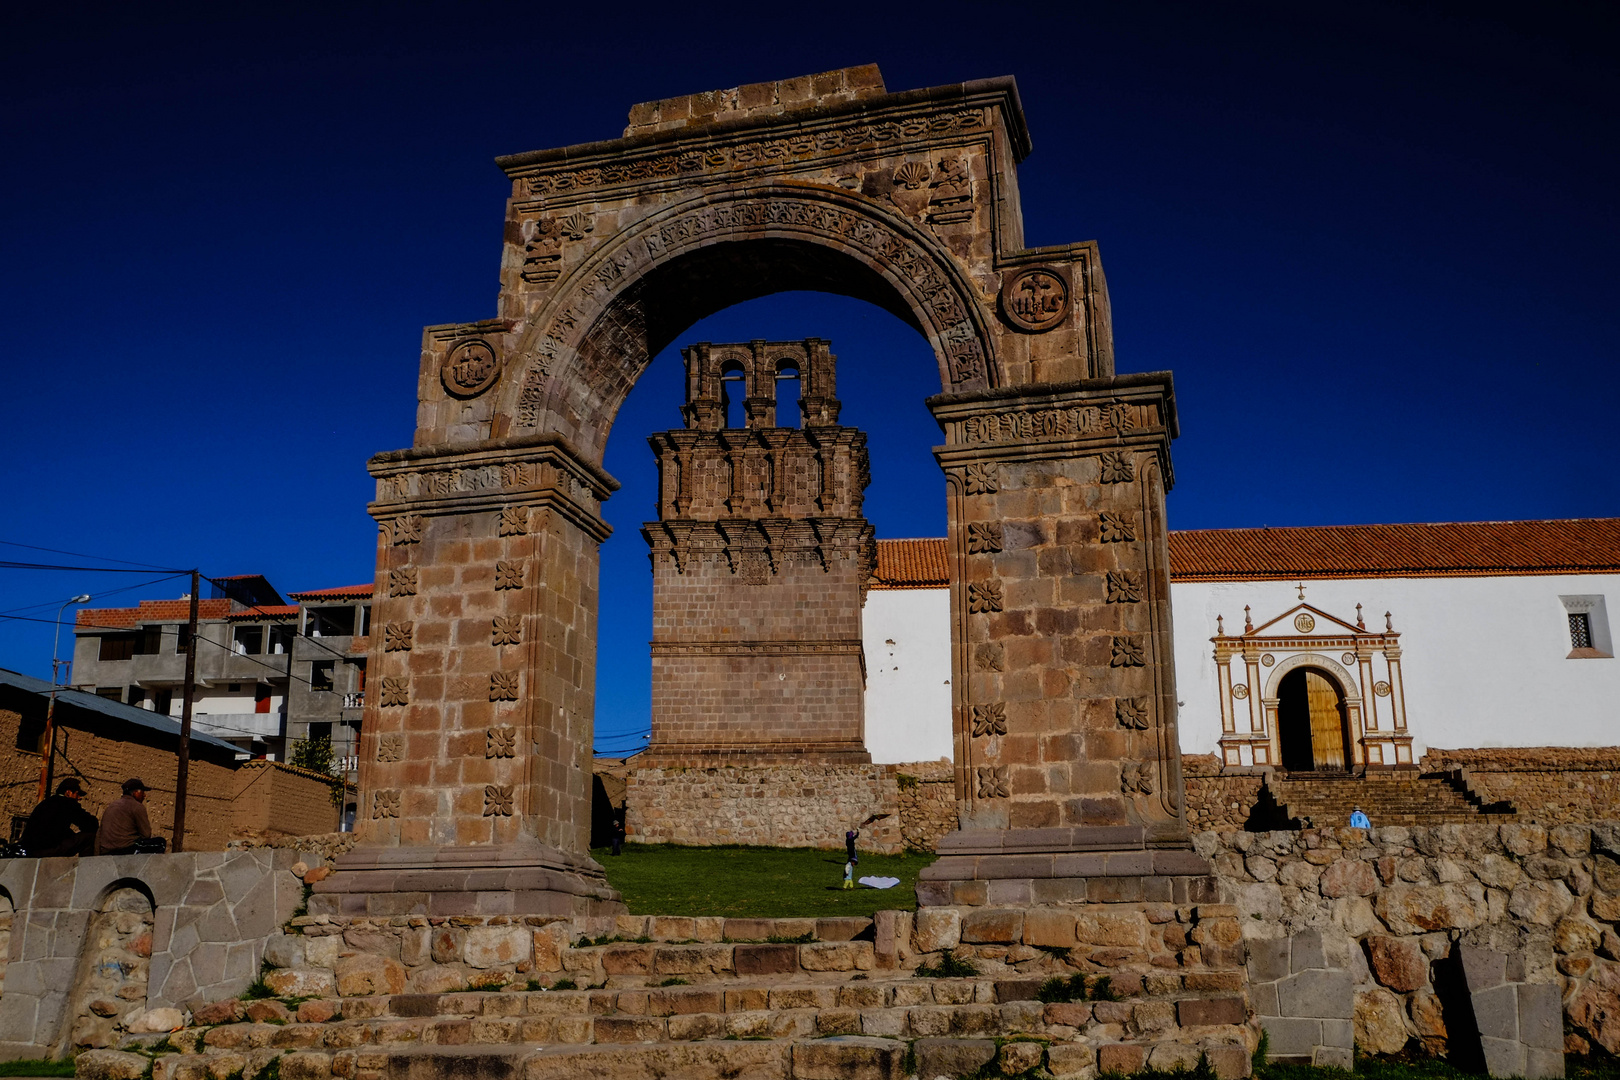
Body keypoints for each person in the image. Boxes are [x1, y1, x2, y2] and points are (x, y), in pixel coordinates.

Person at [20, 777, 98, 857]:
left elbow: (55, 828)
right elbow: (90, 824)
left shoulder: (46, 803)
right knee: (90, 837)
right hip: (48, 849)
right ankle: (86, 866)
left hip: (31, 850)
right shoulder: (67, 803)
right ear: (68, 793)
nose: (79, 798)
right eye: (77, 794)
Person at [98, 778, 155, 855]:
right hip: (125, 850)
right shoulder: (137, 806)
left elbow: (99, 833)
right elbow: (146, 834)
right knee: (160, 842)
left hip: (105, 850)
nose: (144, 795)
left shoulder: (112, 805)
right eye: (142, 792)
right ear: (135, 793)